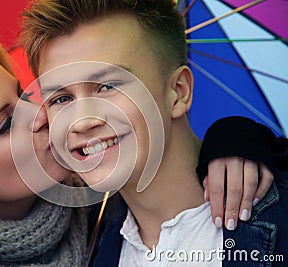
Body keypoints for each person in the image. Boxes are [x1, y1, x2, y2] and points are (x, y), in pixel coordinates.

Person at [0, 32, 278, 266]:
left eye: (25, 95)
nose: (41, 115)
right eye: (6, 125)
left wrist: (236, 138)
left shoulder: (102, 205)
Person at [19, 0, 288, 266]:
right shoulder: (85, 246)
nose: (81, 122)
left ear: (179, 91)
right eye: (61, 99)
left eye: (107, 86)